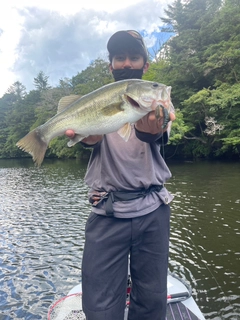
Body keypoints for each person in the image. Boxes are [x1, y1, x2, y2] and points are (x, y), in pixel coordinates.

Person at [65, 30, 175, 320]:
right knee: (99, 308)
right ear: (110, 65)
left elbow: (154, 133)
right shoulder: (99, 101)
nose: (127, 63)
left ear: (145, 65)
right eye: (119, 58)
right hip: (106, 210)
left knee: (151, 303)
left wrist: (153, 127)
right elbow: (93, 138)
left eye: (134, 57)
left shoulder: (160, 105)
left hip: (153, 210)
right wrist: (86, 137)